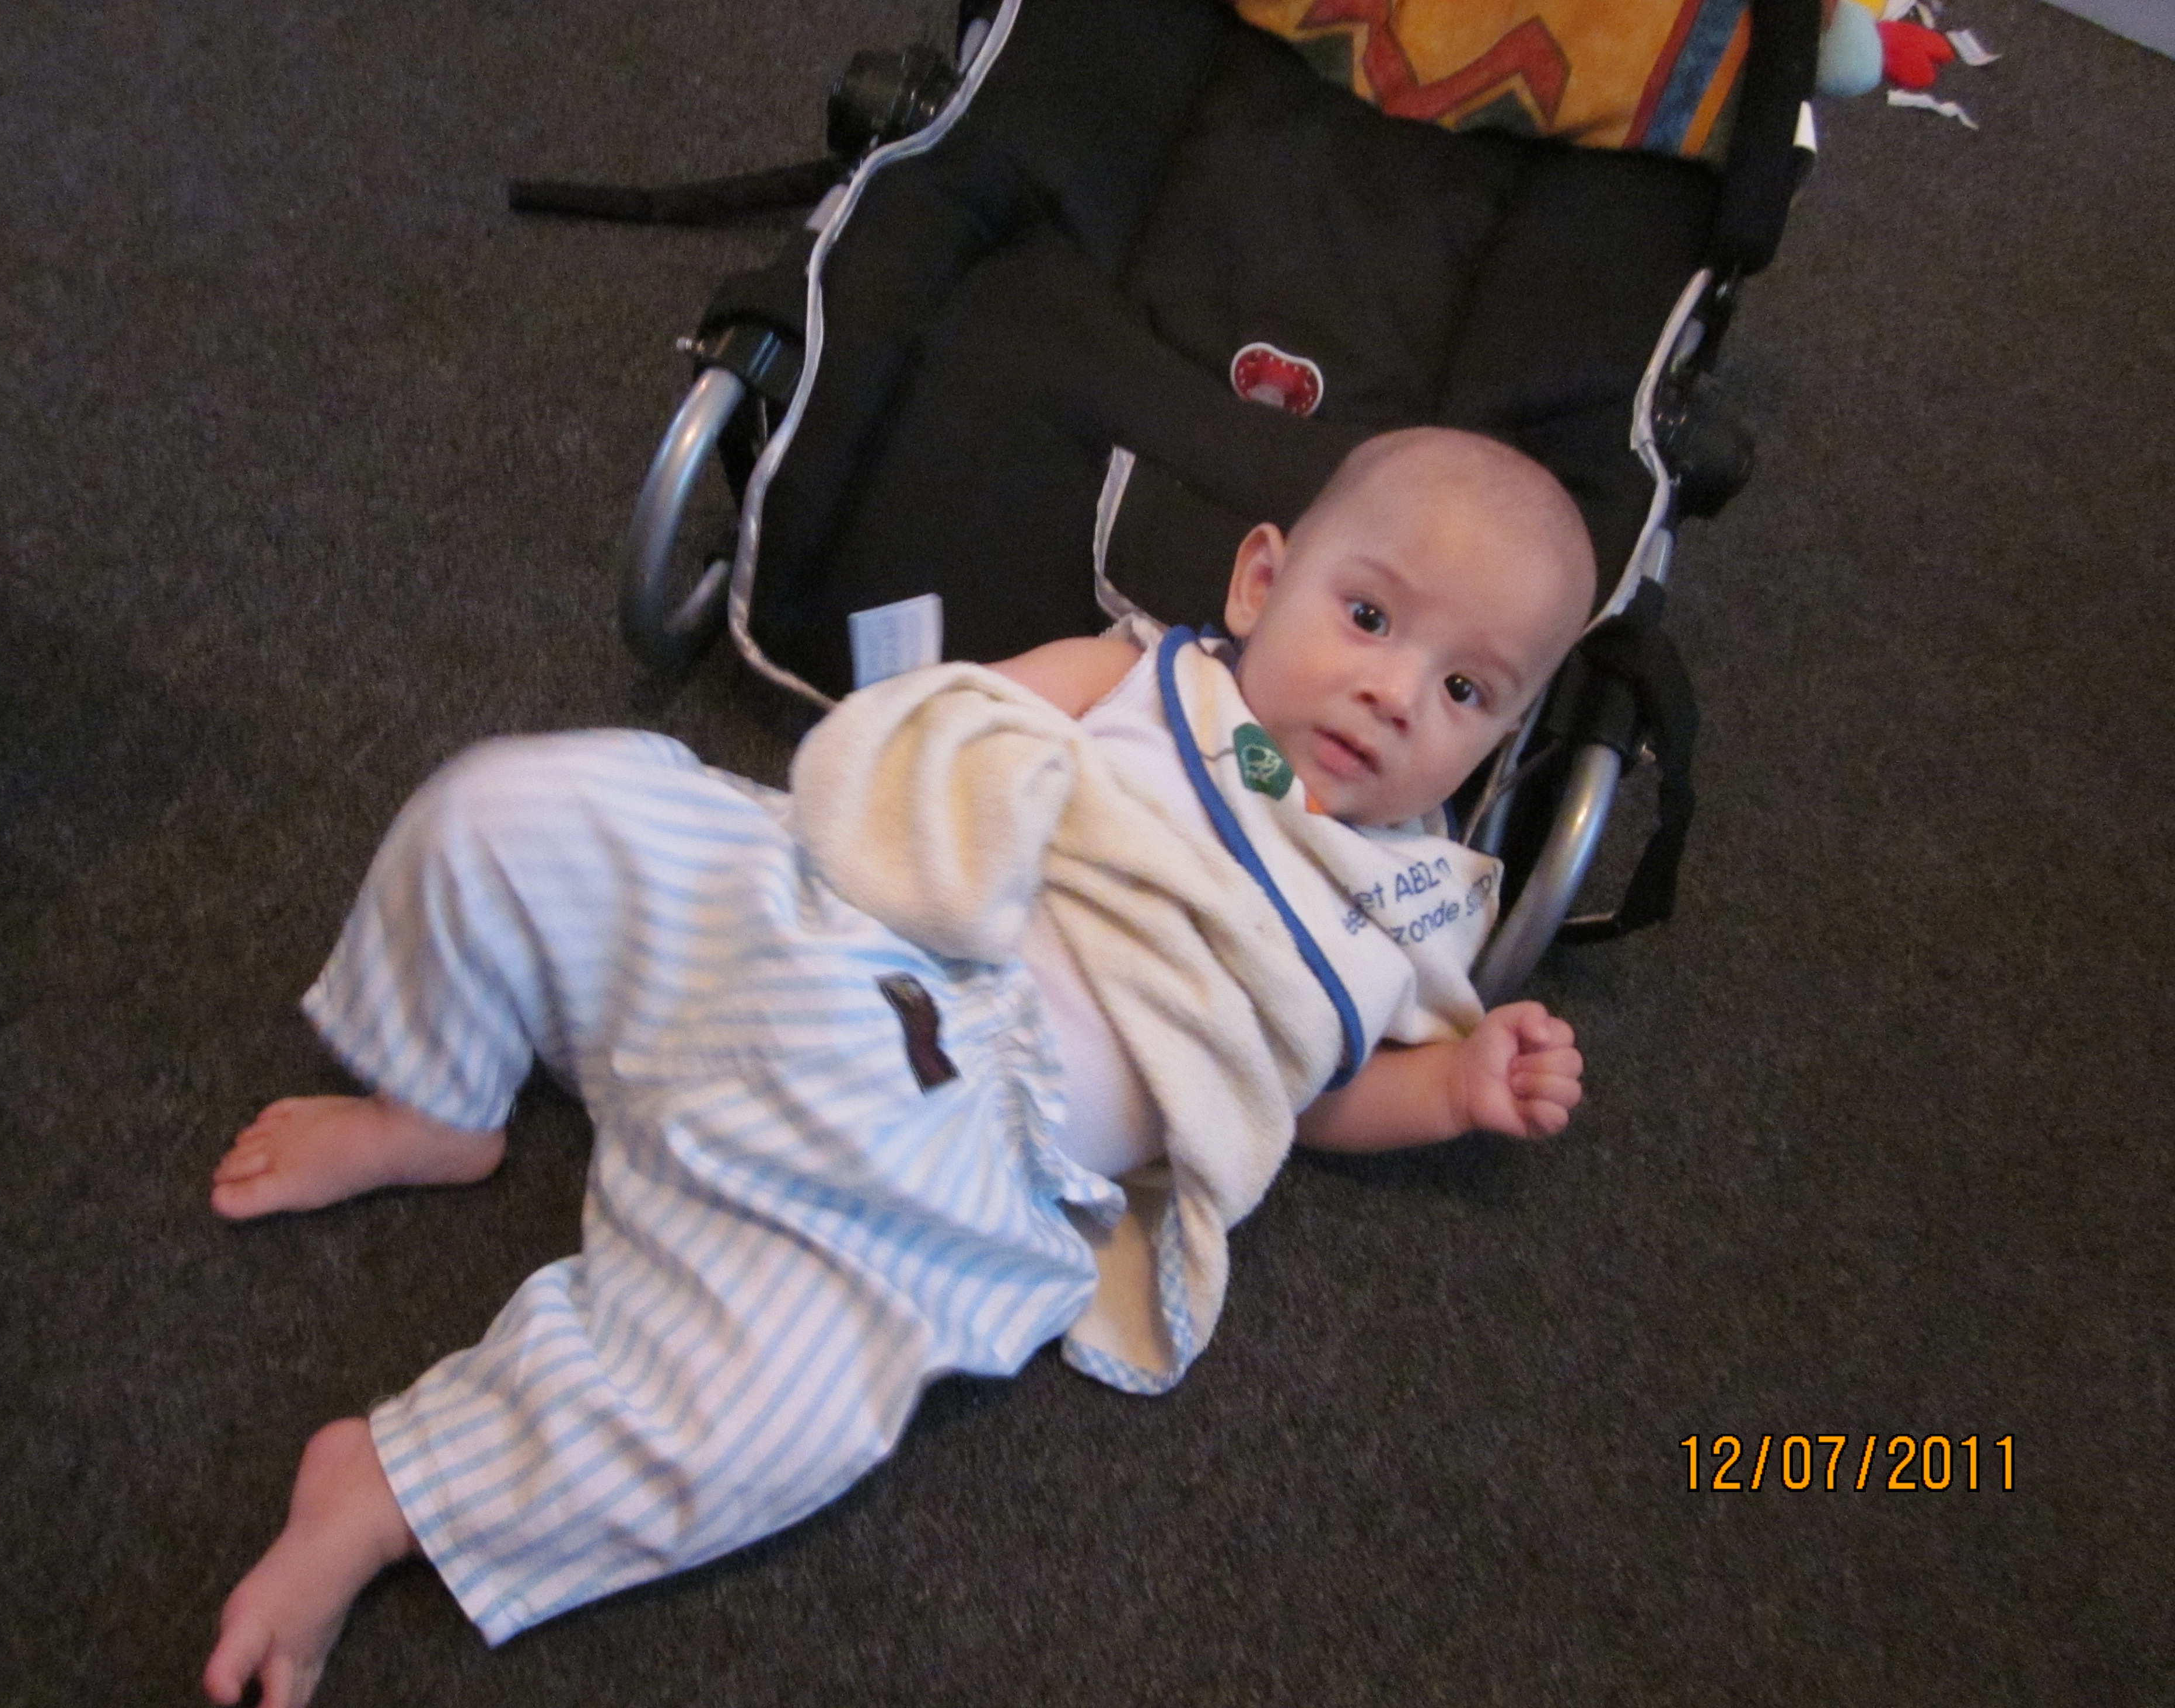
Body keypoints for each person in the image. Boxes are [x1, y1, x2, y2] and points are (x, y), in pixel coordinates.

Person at [204, 426, 1596, 1708]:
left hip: (944, 1156)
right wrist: (934, 772)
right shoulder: (1144, 679)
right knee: (520, 806)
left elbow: (1291, 1095)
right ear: (1260, 582)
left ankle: (396, 1490)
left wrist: (1449, 1092)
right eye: (1367, 618)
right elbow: (946, 733)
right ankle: (432, 1095)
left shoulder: (1384, 917)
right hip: (826, 928)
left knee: (777, 1405)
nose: (1392, 695)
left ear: (1499, 737)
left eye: (1463, 690)